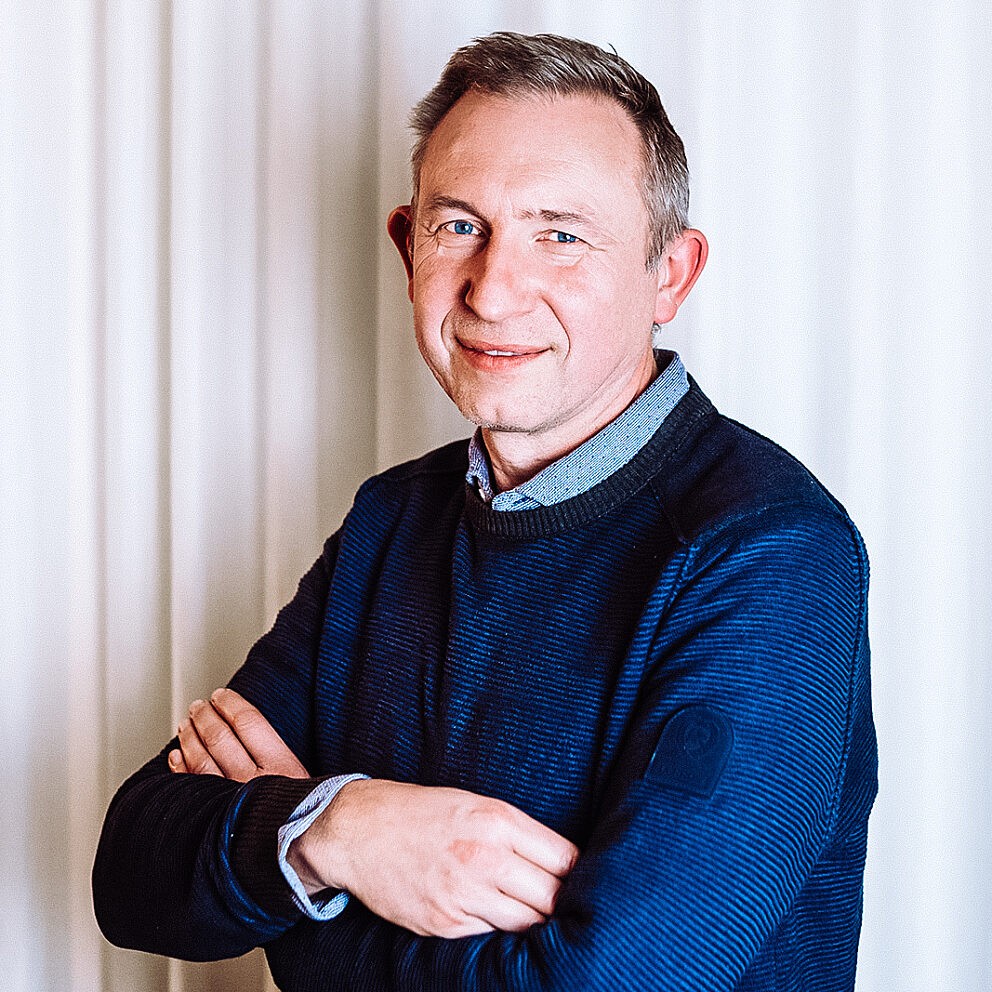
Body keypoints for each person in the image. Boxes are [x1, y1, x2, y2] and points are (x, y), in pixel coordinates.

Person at [93, 31, 877, 991]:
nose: (494, 290)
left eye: (561, 234)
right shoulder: (391, 522)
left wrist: (294, 902)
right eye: (460, 225)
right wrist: (341, 829)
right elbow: (131, 878)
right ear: (406, 247)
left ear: (669, 273)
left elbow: (614, 983)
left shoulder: (769, 552)